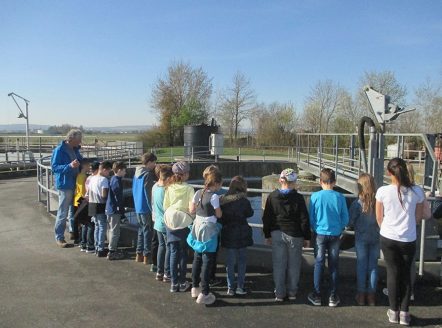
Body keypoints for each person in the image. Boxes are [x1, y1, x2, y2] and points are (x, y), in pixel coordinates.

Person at [376, 158, 425, 326]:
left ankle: (393, 311)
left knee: (392, 273)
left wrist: (387, 229)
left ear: (389, 173)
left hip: (388, 237)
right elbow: (418, 218)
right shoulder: (417, 191)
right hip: (408, 238)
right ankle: (404, 313)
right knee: (405, 274)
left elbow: (379, 217)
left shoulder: (382, 191)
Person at [263, 169, 311, 302]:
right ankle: (292, 292)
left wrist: (267, 234)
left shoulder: (272, 197)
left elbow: (267, 217)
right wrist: (307, 237)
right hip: (295, 234)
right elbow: (304, 219)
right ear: (294, 182)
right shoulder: (298, 198)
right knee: (294, 265)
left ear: (280, 180)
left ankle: (279, 293)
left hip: (277, 233)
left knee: (279, 264)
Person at [308, 168, 349, 307]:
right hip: (335, 234)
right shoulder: (340, 197)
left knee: (318, 263)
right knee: (333, 264)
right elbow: (345, 218)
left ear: (320, 181)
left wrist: (315, 227)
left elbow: (311, 217)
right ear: (335, 182)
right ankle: (332, 295)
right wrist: (340, 227)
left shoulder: (315, 197)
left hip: (320, 233)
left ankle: (317, 294)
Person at [188, 170, 223, 305]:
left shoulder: (198, 193)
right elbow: (219, 215)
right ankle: (205, 292)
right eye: (220, 185)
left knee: (197, 257)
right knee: (207, 260)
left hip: (197, 227)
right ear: (217, 183)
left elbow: (192, 209)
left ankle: (194, 287)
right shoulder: (214, 197)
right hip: (208, 230)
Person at [163, 161, 194, 293]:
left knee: (173, 251)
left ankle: (173, 283)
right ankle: (182, 281)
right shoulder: (189, 188)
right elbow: (192, 208)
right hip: (183, 220)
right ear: (185, 174)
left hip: (170, 219)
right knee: (182, 252)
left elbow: (166, 205)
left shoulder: (169, 187)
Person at [220, 176, 254, 296]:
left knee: (230, 262)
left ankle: (230, 287)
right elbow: (250, 213)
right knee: (242, 261)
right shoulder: (244, 201)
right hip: (242, 233)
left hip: (228, 233)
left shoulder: (224, 200)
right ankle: (240, 286)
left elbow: (221, 217)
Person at [349, 173, 379, 306]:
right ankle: (371, 296)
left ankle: (361, 296)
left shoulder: (357, 203)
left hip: (361, 238)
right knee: (373, 266)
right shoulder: (378, 202)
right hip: (376, 237)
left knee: (361, 266)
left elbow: (350, 221)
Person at [51, 129, 83, 247]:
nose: (80, 142)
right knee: (63, 211)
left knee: (72, 209)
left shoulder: (75, 149)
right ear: (71, 139)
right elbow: (54, 167)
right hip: (65, 184)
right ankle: (59, 237)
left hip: (75, 183)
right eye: (79, 139)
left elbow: (80, 161)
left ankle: (72, 231)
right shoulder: (59, 150)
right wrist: (69, 166)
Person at [202, 165, 227, 287]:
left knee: (202, 254)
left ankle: (202, 280)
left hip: (201, 227)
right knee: (212, 253)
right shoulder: (216, 194)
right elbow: (219, 214)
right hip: (213, 227)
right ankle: (209, 279)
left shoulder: (200, 192)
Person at [132, 153, 157, 264]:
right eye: (154, 162)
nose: (155, 165)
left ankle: (139, 254)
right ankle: (147, 255)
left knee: (141, 230)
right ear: (149, 162)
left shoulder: (136, 174)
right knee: (148, 231)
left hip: (138, 206)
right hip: (145, 207)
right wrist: (152, 209)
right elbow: (148, 194)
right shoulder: (147, 175)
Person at [152, 164, 173, 282]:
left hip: (158, 222)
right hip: (166, 223)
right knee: (169, 248)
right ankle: (167, 273)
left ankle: (159, 272)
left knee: (161, 246)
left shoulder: (155, 187)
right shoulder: (166, 190)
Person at [88, 161, 112, 257]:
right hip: (101, 204)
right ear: (104, 169)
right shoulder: (103, 180)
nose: (108, 174)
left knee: (97, 226)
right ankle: (101, 248)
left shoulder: (92, 178)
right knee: (102, 227)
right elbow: (104, 195)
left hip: (92, 204)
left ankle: (97, 247)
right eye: (108, 171)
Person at [105, 161, 127, 260]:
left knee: (110, 229)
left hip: (109, 208)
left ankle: (111, 249)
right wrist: (122, 212)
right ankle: (112, 251)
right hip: (114, 210)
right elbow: (118, 198)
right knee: (115, 231)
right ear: (119, 170)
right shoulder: (117, 181)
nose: (125, 173)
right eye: (124, 171)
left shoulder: (112, 179)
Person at [73, 159, 91, 249]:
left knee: (80, 221)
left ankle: (79, 239)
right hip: (80, 201)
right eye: (88, 166)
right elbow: (82, 191)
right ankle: (80, 239)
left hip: (77, 199)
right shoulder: (82, 177)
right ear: (84, 166)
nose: (89, 167)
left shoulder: (80, 175)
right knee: (82, 222)